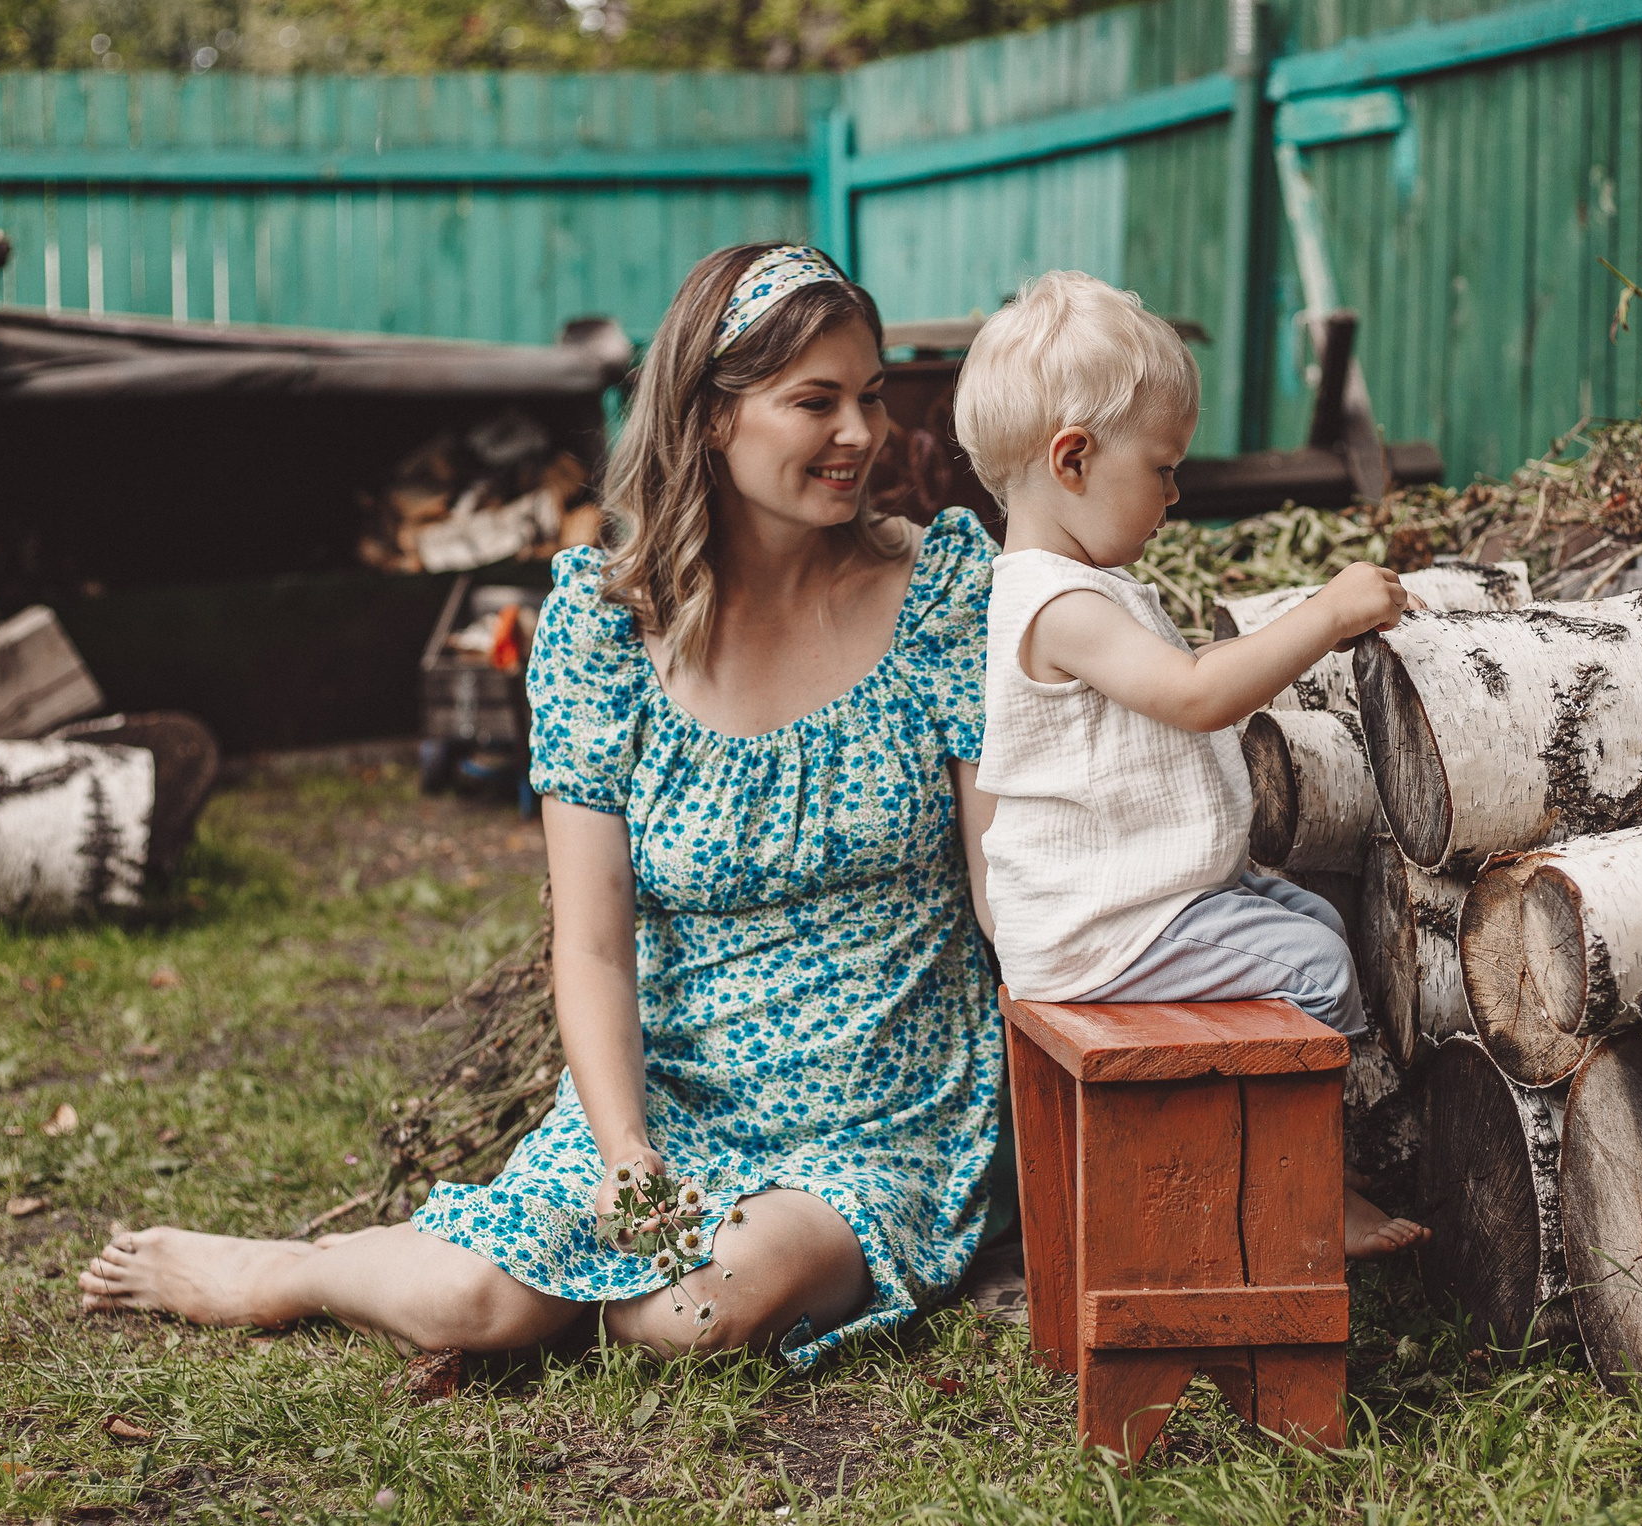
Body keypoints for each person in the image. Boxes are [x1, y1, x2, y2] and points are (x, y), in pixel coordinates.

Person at [81, 243, 1003, 1363]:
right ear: (712, 416)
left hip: (880, 1112)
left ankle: (588, 1292)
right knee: (472, 1303)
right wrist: (625, 1151)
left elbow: (1000, 886)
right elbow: (594, 943)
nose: (860, 432)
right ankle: (293, 1270)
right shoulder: (602, 630)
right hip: (675, 1090)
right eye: (816, 402)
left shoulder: (939, 591)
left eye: (871, 396)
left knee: (700, 1313)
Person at [954, 270, 1427, 1258]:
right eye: (1163, 469)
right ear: (1073, 459)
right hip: (1099, 931)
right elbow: (1195, 694)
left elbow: (1174, 684)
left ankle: (1309, 1151)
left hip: (1135, 901)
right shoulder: (1058, 604)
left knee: (1313, 920)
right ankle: (1306, 1191)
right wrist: (1326, 613)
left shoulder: (1079, 586)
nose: (1175, 494)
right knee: (1316, 966)